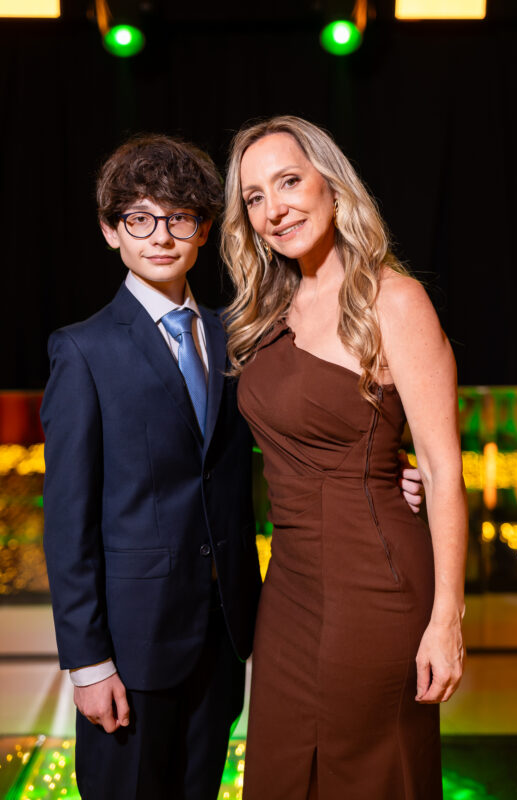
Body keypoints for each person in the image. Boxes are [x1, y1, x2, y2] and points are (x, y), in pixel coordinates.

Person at [221, 116, 467, 799]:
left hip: (376, 585)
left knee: (367, 773)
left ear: (331, 184)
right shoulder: (266, 311)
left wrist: (447, 618)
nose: (274, 210)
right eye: (254, 197)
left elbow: (442, 470)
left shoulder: (394, 300)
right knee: (279, 773)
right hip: (288, 590)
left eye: (289, 182)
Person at [40, 134, 263, 800]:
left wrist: (386, 472)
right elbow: (68, 522)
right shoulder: (83, 351)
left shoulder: (235, 335)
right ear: (111, 231)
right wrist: (87, 662)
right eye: (139, 218)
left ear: (204, 229)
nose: (161, 236)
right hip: (130, 652)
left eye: (179, 217)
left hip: (223, 636)